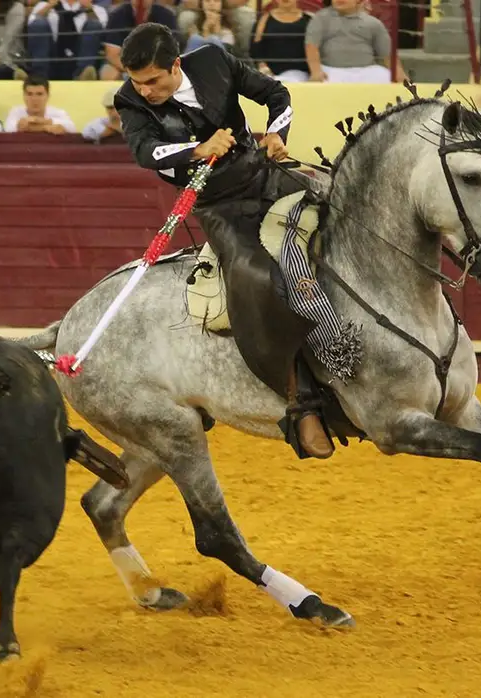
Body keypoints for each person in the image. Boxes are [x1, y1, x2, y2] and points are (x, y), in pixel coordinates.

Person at [114, 22, 334, 459]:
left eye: (153, 81)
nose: (145, 91)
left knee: (342, 216)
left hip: (264, 173)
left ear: (176, 65)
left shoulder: (213, 60)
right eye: (138, 83)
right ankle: (300, 400)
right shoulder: (129, 100)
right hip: (218, 204)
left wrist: (276, 134)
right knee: (257, 277)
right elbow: (146, 152)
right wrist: (197, 148)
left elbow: (278, 95)